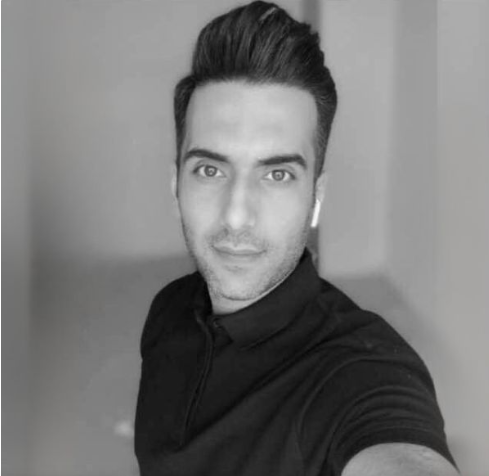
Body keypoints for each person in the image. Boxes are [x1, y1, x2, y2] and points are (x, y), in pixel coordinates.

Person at [134, 2, 459, 475]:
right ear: (175, 185)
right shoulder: (168, 312)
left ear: (316, 199)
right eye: (210, 169)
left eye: (277, 174)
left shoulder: (359, 374)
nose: (237, 215)